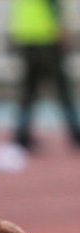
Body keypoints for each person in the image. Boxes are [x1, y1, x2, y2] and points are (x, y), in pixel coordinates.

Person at [9, 0, 80, 151]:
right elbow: (52, 6)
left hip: (26, 39)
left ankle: (22, 135)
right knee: (63, 90)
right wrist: (61, 30)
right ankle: (75, 133)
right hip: (47, 40)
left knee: (29, 92)